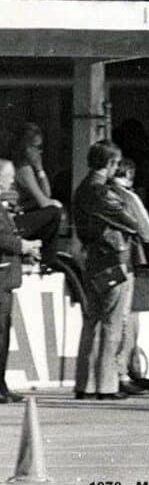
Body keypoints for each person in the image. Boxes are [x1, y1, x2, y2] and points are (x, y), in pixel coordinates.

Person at [72, 141, 141, 401]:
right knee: (111, 323)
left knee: (90, 322)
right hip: (112, 260)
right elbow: (131, 222)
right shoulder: (103, 193)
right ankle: (106, 385)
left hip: (92, 260)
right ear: (111, 164)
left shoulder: (81, 190)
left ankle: (84, 383)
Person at [111, 158, 149, 396]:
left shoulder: (101, 193)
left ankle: (115, 374)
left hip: (104, 262)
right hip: (127, 260)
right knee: (125, 319)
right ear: (128, 173)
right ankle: (122, 373)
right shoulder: (128, 197)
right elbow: (146, 230)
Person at [0, 159, 42, 403]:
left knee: (4, 334)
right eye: (8, 176)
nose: (12, 181)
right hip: (2, 277)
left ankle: (2, 384)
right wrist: (24, 246)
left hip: (6, 279)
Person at [10, 123, 62, 269]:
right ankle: (48, 259)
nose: (40, 152)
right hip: (12, 222)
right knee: (54, 213)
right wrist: (39, 167)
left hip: (16, 217)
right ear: (26, 147)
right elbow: (44, 201)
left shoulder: (27, 167)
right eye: (37, 147)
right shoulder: (23, 168)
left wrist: (40, 169)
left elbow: (46, 195)